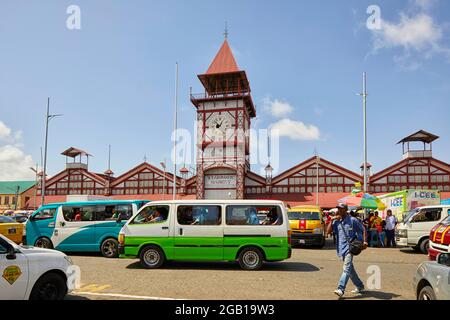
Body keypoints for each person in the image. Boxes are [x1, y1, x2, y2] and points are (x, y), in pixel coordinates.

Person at [327, 203, 368, 298]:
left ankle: (341, 289)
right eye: (338, 209)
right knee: (350, 270)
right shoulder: (336, 222)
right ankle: (359, 285)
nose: (339, 211)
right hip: (340, 249)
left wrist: (365, 241)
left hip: (350, 248)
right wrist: (331, 220)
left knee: (346, 268)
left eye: (341, 209)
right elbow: (328, 232)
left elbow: (363, 229)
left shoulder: (353, 220)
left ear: (345, 210)